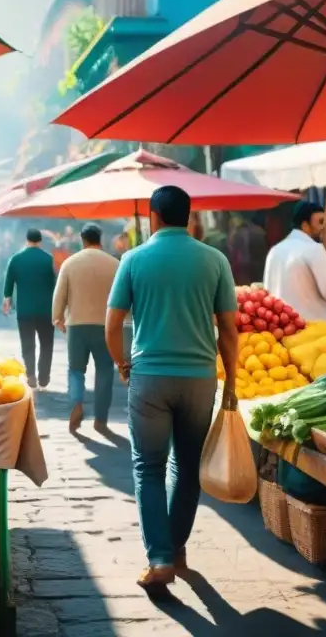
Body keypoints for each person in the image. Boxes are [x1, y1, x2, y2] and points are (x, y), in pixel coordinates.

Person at [105, 186, 239, 594]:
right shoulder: (215, 260)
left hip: (149, 377)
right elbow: (229, 329)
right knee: (187, 468)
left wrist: (122, 364)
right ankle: (176, 548)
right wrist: (231, 380)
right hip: (199, 378)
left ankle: (159, 557)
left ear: (153, 217)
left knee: (148, 467)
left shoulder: (133, 259)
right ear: (189, 217)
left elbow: (112, 326)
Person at [52, 224, 120, 434]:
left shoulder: (70, 263)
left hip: (77, 326)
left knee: (76, 370)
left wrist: (57, 318)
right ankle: (101, 419)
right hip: (105, 326)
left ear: (82, 240)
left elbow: (59, 294)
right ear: (101, 239)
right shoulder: (115, 264)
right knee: (105, 371)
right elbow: (124, 297)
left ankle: (77, 403)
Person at [263, 201, 326, 322]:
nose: (324, 228)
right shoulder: (314, 249)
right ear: (305, 226)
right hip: (310, 326)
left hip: (280, 325)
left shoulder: (275, 251)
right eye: (320, 222)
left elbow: (267, 292)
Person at [3, 229, 57, 388]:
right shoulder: (48, 259)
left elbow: (9, 284)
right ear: (40, 241)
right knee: (47, 344)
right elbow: (55, 284)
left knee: (27, 344)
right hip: (46, 310)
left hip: (24, 310)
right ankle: (44, 376)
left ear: (26, 239)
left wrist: (7, 299)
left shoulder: (16, 259)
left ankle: (31, 374)